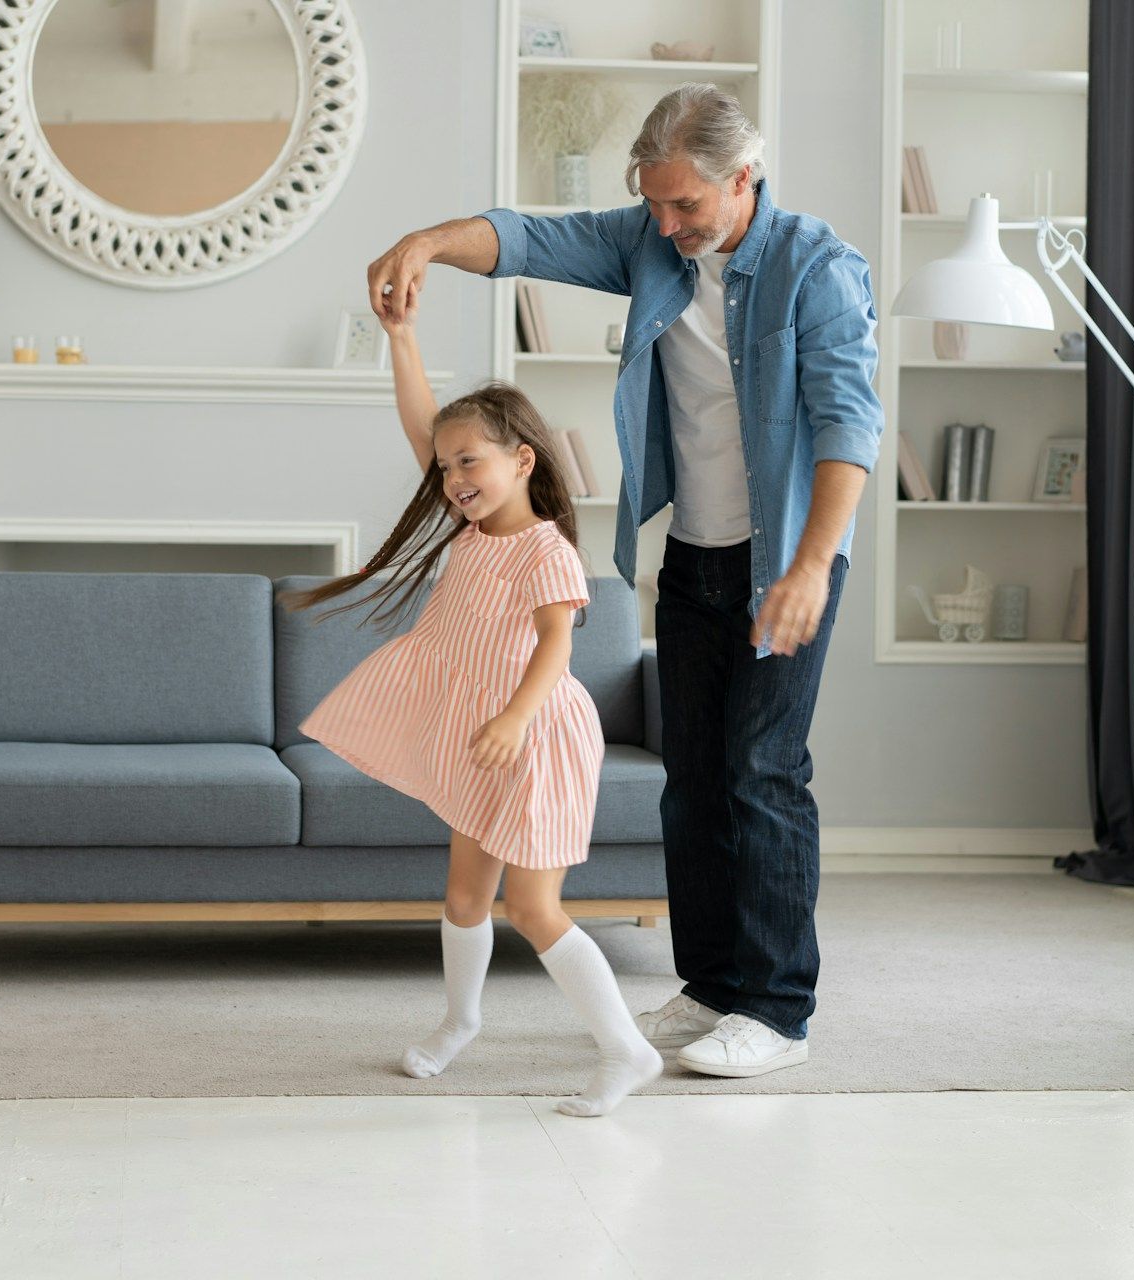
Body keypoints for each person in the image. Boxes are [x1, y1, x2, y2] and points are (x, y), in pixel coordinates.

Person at [365, 84, 883, 1078]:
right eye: (654, 204)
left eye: (686, 205)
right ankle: (713, 984)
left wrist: (814, 564)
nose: (668, 224)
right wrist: (426, 243)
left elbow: (849, 424)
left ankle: (776, 1008)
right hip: (692, 553)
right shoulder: (653, 242)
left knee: (762, 770)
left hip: (786, 559)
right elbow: (524, 239)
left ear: (744, 179)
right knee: (692, 777)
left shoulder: (818, 269)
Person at [282, 293, 662, 1118]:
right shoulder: (469, 532)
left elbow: (559, 648)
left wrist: (515, 718)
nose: (453, 478)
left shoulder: (543, 549)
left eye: (471, 464)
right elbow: (424, 422)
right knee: (462, 896)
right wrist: (404, 337)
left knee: (532, 905)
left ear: (523, 460)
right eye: (447, 466)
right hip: (483, 731)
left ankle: (626, 1051)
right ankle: (461, 1020)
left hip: (535, 733)